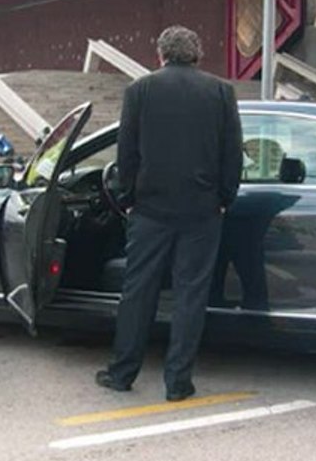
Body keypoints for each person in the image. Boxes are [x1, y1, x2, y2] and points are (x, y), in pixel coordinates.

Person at [95, 25, 243, 402]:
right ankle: (178, 382)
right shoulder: (221, 92)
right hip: (202, 210)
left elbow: (126, 153)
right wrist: (225, 197)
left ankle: (122, 372)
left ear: (159, 54)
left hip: (150, 209)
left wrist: (127, 197)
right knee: (190, 295)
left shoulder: (140, 91)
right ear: (197, 54)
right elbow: (232, 153)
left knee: (137, 291)